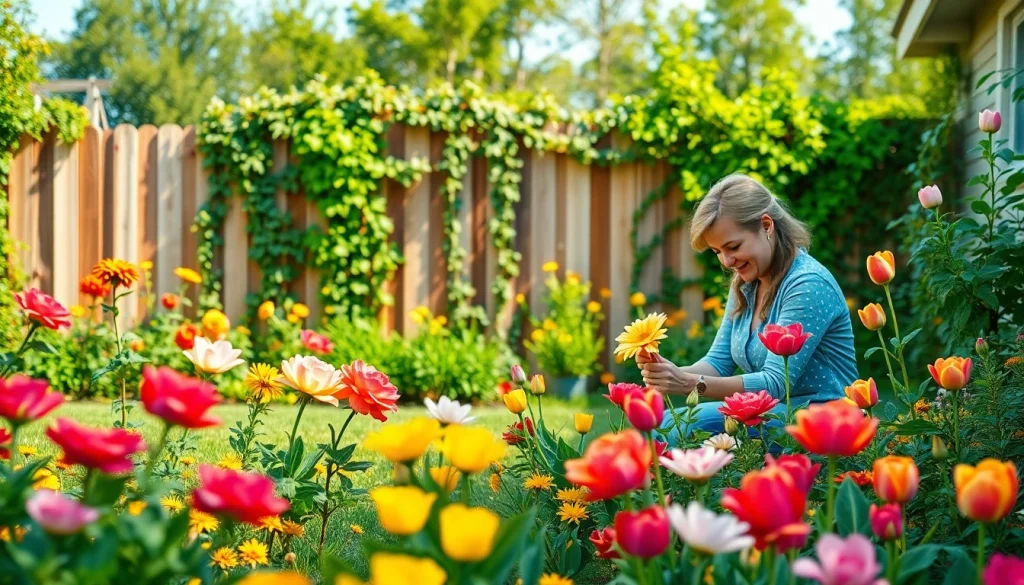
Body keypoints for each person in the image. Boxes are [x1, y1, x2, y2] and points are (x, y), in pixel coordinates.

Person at [639, 173, 858, 443]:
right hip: (773, 415)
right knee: (659, 422)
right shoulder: (746, 284)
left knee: (683, 428)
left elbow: (775, 384)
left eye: (733, 246)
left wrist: (688, 384)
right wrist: (669, 373)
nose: (727, 261)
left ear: (766, 225)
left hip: (823, 421)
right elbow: (718, 363)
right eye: (717, 251)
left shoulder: (807, 283)